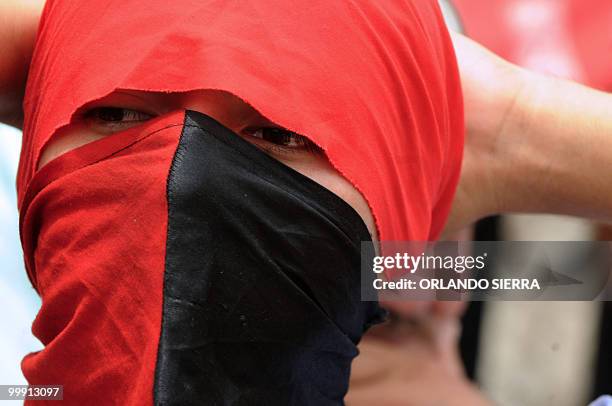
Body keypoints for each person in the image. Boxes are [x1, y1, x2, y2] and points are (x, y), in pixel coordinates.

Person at [1, 1, 611, 405]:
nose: (183, 180)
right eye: (119, 113)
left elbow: (563, 275)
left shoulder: (415, 267)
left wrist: (510, 129)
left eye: (282, 134)